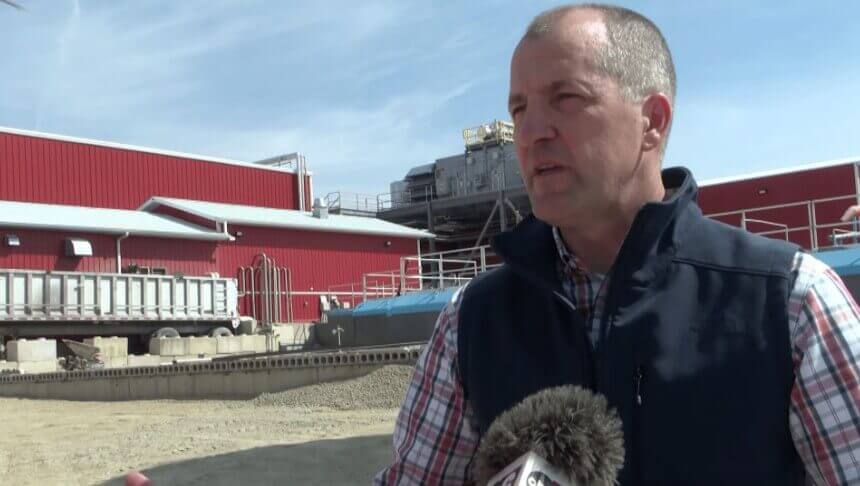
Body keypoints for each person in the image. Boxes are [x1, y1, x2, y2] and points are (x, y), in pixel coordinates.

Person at [375, 4, 860, 485]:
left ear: (652, 120)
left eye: (566, 98)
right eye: (519, 108)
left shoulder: (792, 305)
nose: (528, 133)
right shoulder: (470, 323)